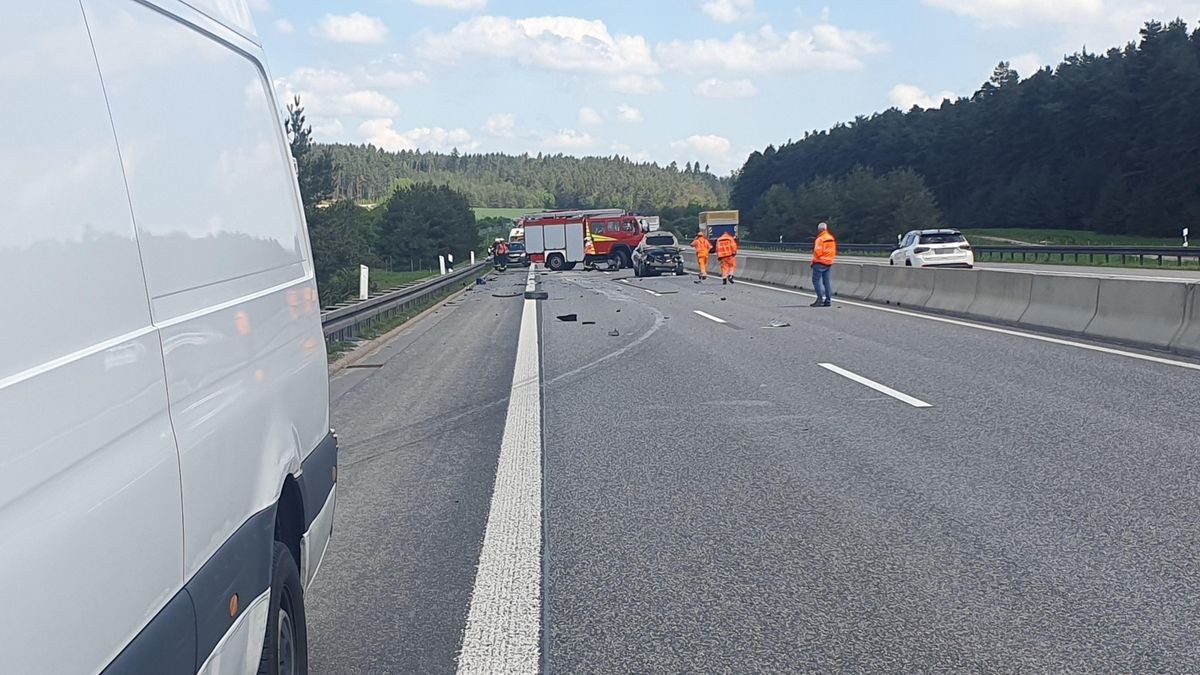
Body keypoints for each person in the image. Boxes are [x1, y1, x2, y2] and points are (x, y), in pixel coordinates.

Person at [811, 222, 837, 307]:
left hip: (820, 262)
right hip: (829, 262)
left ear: (819, 230)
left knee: (816, 281)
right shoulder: (831, 238)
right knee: (826, 282)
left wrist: (813, 262)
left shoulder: (820, 239)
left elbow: (817, 252)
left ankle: (819, 299)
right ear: (826, 229)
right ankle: (828, 300)